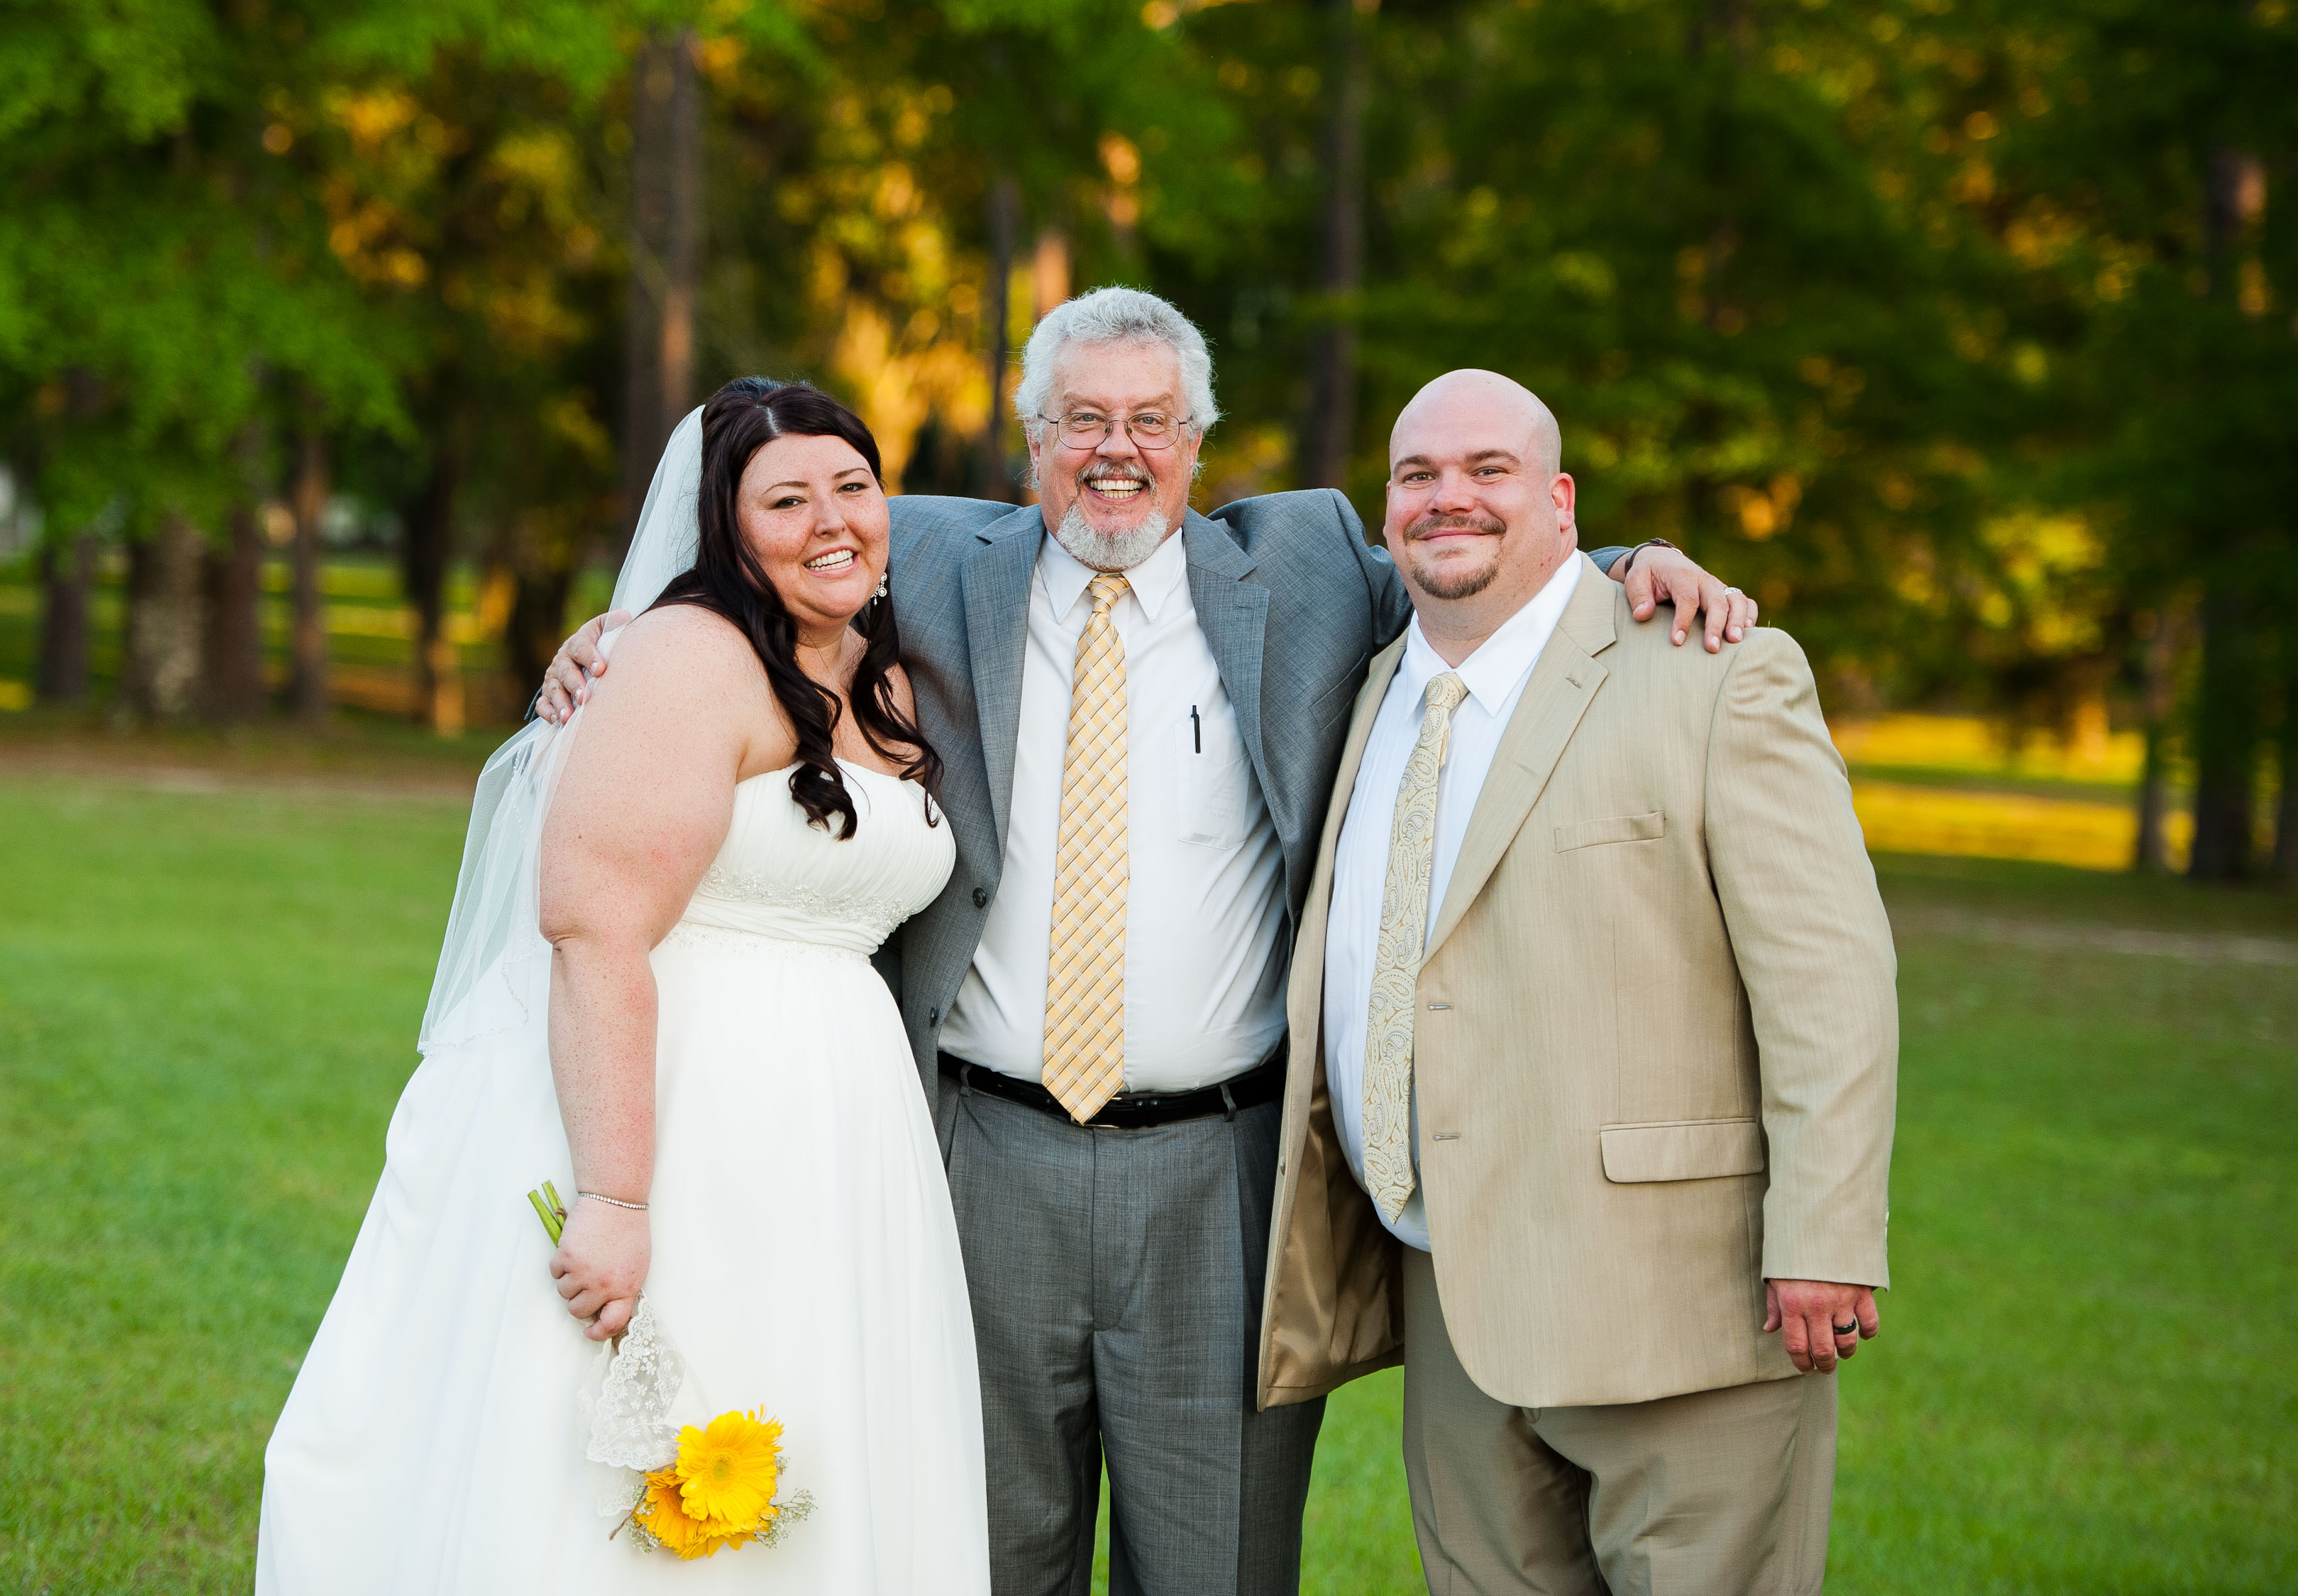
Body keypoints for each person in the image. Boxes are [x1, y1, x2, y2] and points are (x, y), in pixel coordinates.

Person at [537, 290, 1759, 1596]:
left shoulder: (1306, 568)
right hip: (975, 1165)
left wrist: (1635, 561)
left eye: (1152, 421)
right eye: (1081, 420)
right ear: (1032, 441)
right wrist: (618, 643)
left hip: (1220, 1179)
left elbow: (1475, 558)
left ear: (1196, 442)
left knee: (1214, 1567)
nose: (1116, 450)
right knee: (979, 1555)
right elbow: (762, 575)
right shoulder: (927, 556)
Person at [259, 381, 991, 1594]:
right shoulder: (689, 657)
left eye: (854, 487)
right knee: (630, 1465)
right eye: (785, 500)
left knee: (819, 1428)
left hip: (842, 1131)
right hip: (678, 1107)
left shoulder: (886, 673)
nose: (831, 520)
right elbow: (592, 924)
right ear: (722, 526)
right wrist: (614, 1196)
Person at [1256, 368, 1897, 1595]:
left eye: (1487, 470)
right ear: (1385, 515)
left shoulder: (1715, 671)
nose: (1449, 497)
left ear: (1560, 502)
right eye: (1418, 475)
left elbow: (1831, 978)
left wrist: (1825, 1233)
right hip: (1453, 1298)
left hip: (1682, 1301)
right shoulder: (1375, 689)